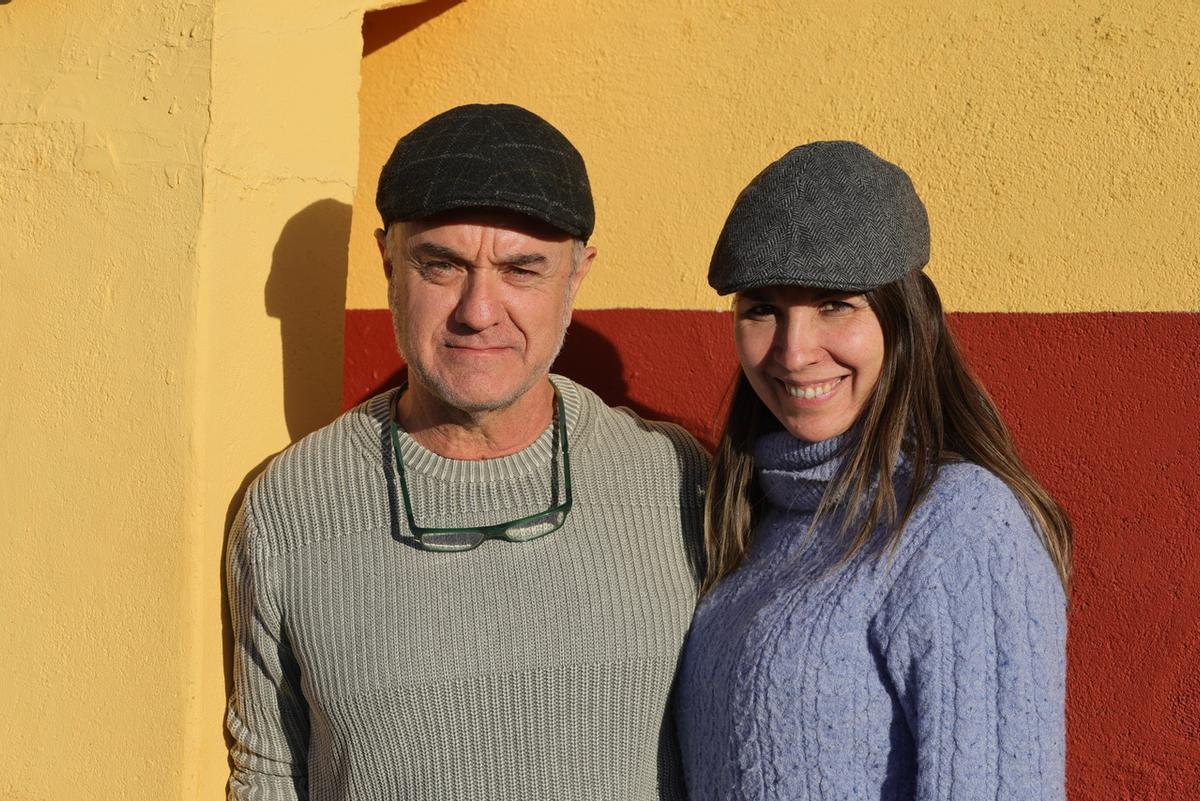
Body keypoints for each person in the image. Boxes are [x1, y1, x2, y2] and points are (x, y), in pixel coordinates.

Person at [225, 103, 706, 801]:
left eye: (522, 270)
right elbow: (268, 772)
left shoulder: (676, 481)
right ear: (388, 263)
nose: (478, 311)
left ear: (577, 275)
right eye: (442, 265)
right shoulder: (291, 505)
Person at [674, 141, 1071, 801]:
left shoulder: (961, 525)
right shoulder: (754, 512)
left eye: (834, 304)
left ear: (902, 320)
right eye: (762, 309)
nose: (794, 352)